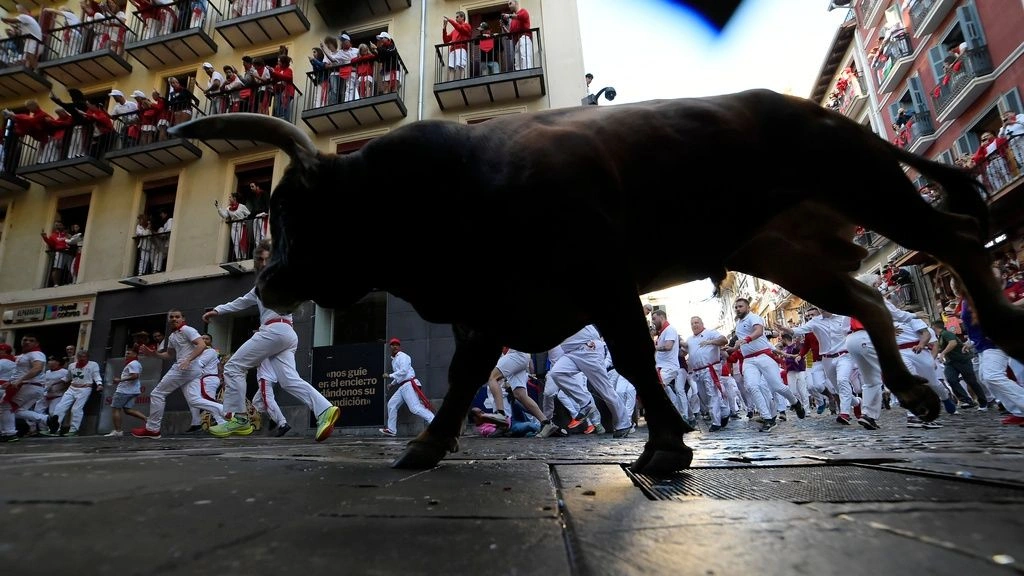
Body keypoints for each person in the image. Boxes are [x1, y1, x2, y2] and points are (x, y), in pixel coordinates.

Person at [204, 239, 340, 441]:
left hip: (275, 330)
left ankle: (239, 418)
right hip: (287, 334)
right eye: (261, 259)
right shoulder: (262, 285)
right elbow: (241, 301)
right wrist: (218, 310)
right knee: (288, 381)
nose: (264, 263)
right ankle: (325, 409)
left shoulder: (281, 277)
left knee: (233, 367)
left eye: (269, 258)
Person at [131, 309, 217, 439]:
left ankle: (153, 429)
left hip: (184, 368)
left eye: (177, 317)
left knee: (157, 393)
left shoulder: (188, 330)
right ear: (168, 319)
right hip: (189, 369)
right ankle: (226, 412)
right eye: (171, 317)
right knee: (195, 400)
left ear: (183, 319)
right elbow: (169, 355)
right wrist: (153, 354)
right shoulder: (172, 336)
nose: (174, 319)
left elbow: (201, 345)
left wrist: (188, 359)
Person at [379, 338, 434, 436]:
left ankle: (434, 422)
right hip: (402, 386)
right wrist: (392, 384)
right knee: (391, 404)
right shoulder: (394, 360)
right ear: (390, 347)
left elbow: (404, 371)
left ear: (399, 347)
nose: (395, 346)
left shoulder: (403, 356)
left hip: (409, 384)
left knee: (415, 408)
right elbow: (400, 375)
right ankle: (391, 430)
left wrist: (390, 375)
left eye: (397, 344)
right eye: (393, 345)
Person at [107, 346, 148, 436]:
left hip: (124, 390)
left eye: (128, 353)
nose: (126, 355)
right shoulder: (135, 363)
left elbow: (135, 376)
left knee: (115, 409)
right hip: (132, 390)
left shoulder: (133, 364)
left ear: (135, 354)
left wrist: (120, 380)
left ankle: (118, 431)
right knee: (128, 410)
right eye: (126, 353)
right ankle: (148, 420)